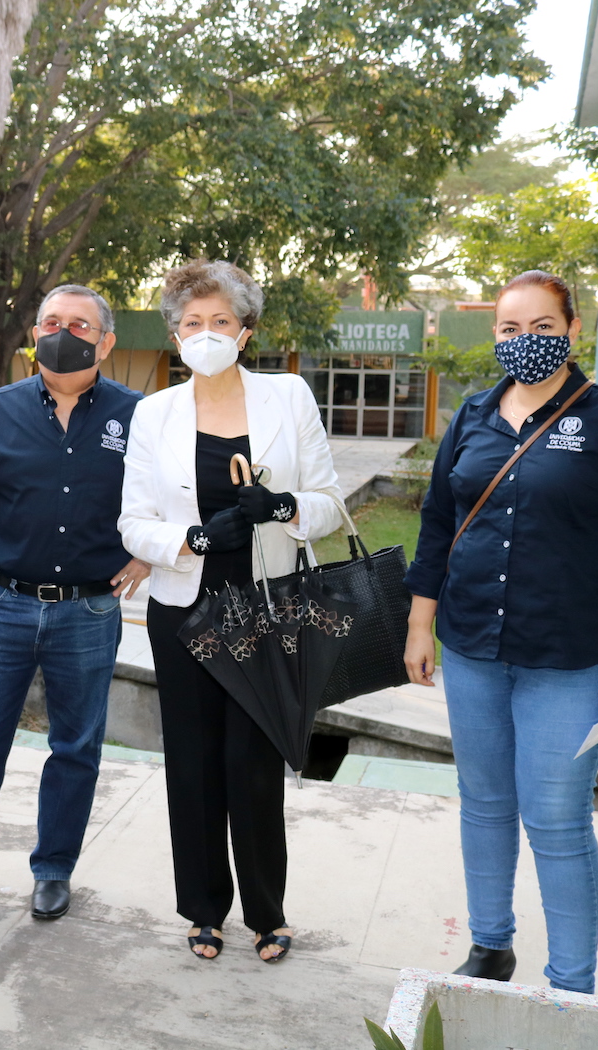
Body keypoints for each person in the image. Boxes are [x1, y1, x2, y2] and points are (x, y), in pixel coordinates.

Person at [403, 270, 598, 994]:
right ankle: (490, 946)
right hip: (473, 651)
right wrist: (421, 624)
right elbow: (437, 524)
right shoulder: (474, 415)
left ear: (573, 329)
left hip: (570, 661)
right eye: (510, 328)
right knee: (486, 805)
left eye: (543, 326)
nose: (526, 340)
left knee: (556, 820)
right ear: (495, 335)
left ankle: (571, 988)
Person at [118, 259, 343, 964]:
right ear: (175, 335)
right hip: (184, 608)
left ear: (245, 332)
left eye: (221, 320)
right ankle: (203, 910)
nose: (206, 332)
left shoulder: (289, 396)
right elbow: (133, 523)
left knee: (254, 765)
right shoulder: (153, 413)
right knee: (191, 765)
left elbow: (330, 503)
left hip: (266, 607)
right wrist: (192, 539)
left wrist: (284, 507)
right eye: (192, 322)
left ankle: (267, 913)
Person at [0, 284, 150, 928]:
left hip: (89, 612)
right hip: (2, 606)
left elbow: (175, 494)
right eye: (51, 322)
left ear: (106, 341)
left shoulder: (139, 416)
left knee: (75, 748)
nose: (62, 334)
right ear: (35, 334)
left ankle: (53, 871)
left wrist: (149, 554)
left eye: (79, 325)